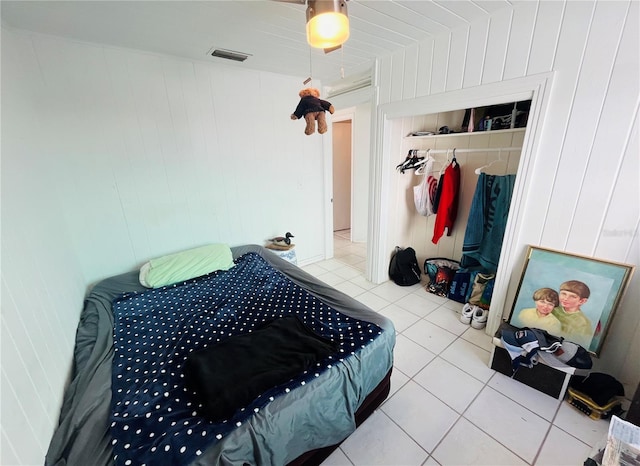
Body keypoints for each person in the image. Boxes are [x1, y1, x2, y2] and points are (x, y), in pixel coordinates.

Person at [552, 280, 593, 348]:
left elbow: (579, 345)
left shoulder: (583, 323)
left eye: (572, 296)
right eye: (563, 294)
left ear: (582, 301)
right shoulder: (553, 310)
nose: (565, 298)